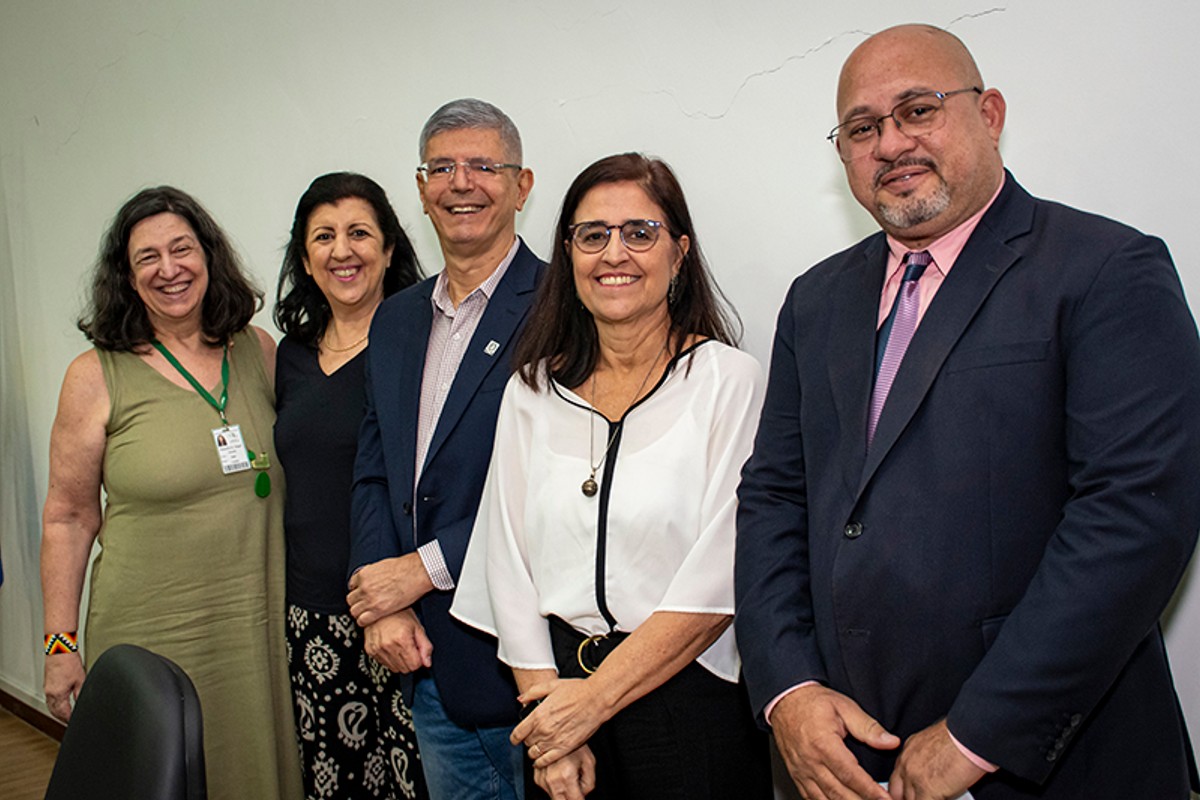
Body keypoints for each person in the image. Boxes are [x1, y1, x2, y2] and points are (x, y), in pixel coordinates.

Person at [734, 23, 1200, 800]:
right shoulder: (815, 300)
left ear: (989, 115)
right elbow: (775, 498)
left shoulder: (1108, 269)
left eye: (919, 109)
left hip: (1045, 763)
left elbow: (1135, 520)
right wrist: (788, 691)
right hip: (846, 760)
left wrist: (977, 732)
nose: (890, 143)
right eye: (862, 128)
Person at [451, 152, 773, 800]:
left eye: (640, 232)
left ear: (679, 253)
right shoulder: (531, 393)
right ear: (569, 257)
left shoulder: (728, 382)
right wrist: (550, 721)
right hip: (553, 694)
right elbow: (505, 563)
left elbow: (718, 578)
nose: (614, 253)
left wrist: (591, 704)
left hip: (687, 699)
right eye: (592, 235)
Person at [41, 186, 303, 800]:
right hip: (150, 635)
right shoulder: (94, 375)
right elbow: (68, 518)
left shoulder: (257, 350)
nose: (169, 269)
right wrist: (60, 645)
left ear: (209, 256)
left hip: (253, 632)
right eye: (147, 258)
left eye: (182, 249)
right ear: (127, 279)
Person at [346, 99, 544, 800]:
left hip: (535, 660)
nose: (462, 182)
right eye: (443, 168)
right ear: (422, 189)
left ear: (522, 186)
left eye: (484, 165)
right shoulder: (396, 318)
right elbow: (375, 469)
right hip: (430, 660)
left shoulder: (564, 306)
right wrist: (383, 597)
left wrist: (424, 569)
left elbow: (558, 488)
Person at [274, 172, 428, 800]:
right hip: (311, 618)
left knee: (416, 782)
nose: (343, 250)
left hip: (406, 612)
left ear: (389, 250)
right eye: (324, 237)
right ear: (305, 260)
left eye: (360, 233)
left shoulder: (422, 348)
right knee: (334, 784)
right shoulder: (288, 356)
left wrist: (401, 594)